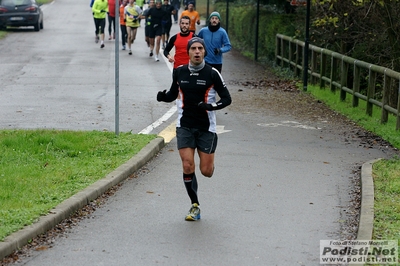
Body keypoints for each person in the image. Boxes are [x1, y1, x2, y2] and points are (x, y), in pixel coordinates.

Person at [156, 37, 232, 221]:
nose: (197, 51)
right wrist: (163, 97)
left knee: (206, 171)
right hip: (185, 126)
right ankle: (195, 205)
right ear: (188, 52)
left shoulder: (212, 74)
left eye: (200, 49)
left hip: (206, 127)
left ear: (204, 52)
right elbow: (173, 93)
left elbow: (227, 99)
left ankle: (209, 161)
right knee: (188, 165)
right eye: (194, 49)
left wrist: (211, 107)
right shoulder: (180, 72)